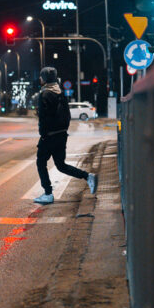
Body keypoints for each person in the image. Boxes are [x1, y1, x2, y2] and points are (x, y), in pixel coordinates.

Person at [34, 66, 97, 205]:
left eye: (41, 76)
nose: (40, 79)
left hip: (49, 136)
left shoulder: (44, 94)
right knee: (61, 165)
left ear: (45, 79)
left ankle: (48, 194)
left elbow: (43, 118)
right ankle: (88, 176)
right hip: (61, 135)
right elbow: (66, 115)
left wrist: (43, 134)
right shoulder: (60, 93)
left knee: (41, 163)